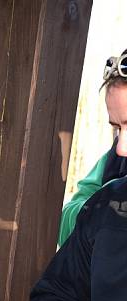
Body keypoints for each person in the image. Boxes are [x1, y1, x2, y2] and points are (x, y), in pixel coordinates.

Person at [57, 50, 127, 246]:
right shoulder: (113, 160)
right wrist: (106, 202)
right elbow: (66, 223)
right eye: (117, 128)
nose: (121, 148)